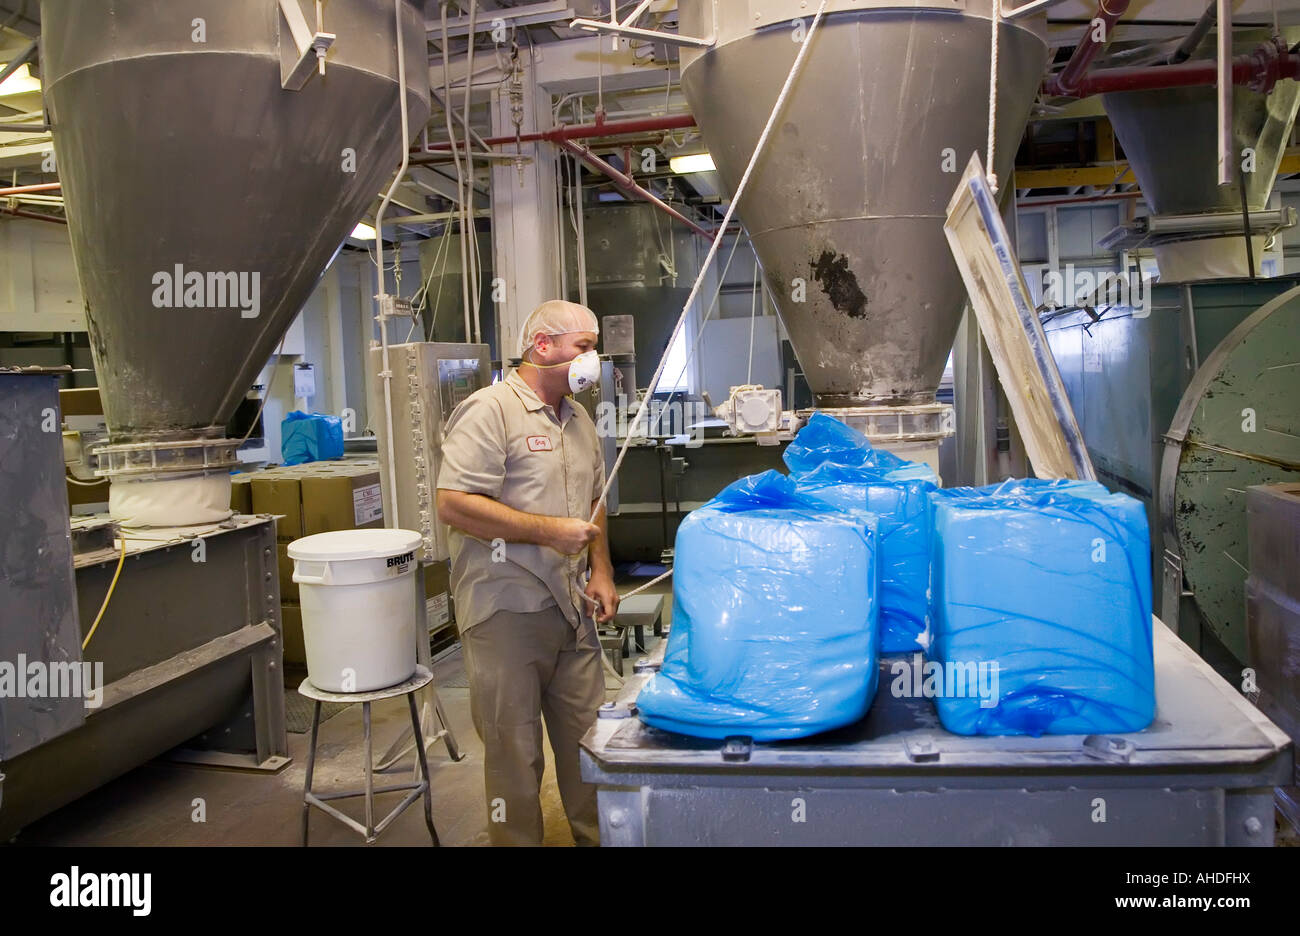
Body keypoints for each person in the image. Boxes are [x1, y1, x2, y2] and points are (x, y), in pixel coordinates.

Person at [435, 299, 619, 846]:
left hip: (572, 609)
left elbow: (595, 499)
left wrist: (601, 569)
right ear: (543, 346)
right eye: (584, 347)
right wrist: (547, 532)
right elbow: (454, 504)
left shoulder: (578, 417)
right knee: (514, 756)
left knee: (591, 744)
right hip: (505, 612)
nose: (593, 360)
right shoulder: (489, 411)